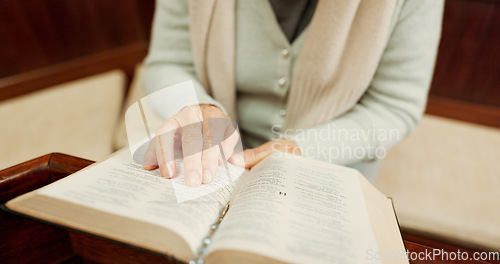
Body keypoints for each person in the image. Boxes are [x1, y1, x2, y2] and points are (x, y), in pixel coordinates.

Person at [141, 0, 444, 186]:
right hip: (214, 166)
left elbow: (395, 106)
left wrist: (302, 148)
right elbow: (167, 61)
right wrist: (201, 108)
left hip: (328, 172)